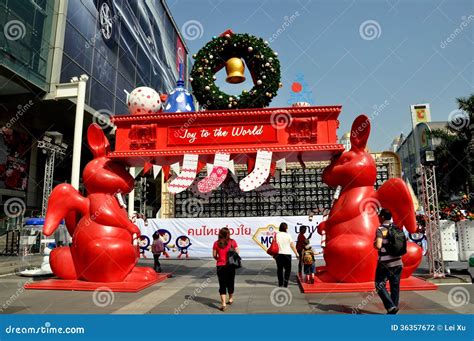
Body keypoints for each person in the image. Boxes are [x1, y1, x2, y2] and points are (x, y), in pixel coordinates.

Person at [374, 208, 402, 314]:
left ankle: (390, 306)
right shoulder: (397, 228)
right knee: (395, 286)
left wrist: (375, 243)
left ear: (382, 217)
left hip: (385, 263)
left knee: (379, 284)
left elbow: (378, 245)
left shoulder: (381, 229)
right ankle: (393, 310)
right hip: (398, 262)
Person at [212, 227, 239, 311]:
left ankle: (223, 304)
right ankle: (230, 299)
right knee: (231, 282)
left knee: (222, 284)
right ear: (228, 234)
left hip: (221, 266)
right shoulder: (232, 242)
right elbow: (237, 252)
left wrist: (219, 259)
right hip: (230, 266)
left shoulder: (216, 243)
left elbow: (214, 255)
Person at [275, 222, 299, 287]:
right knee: (288, 270)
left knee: (279, 269)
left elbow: (274, 245)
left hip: (279, 255)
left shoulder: (276, 235)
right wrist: (296, 253)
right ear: (286, 228)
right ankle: (285, 283)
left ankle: (280, 283)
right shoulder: (288, 235)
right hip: (287, 254)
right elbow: (292, 245)